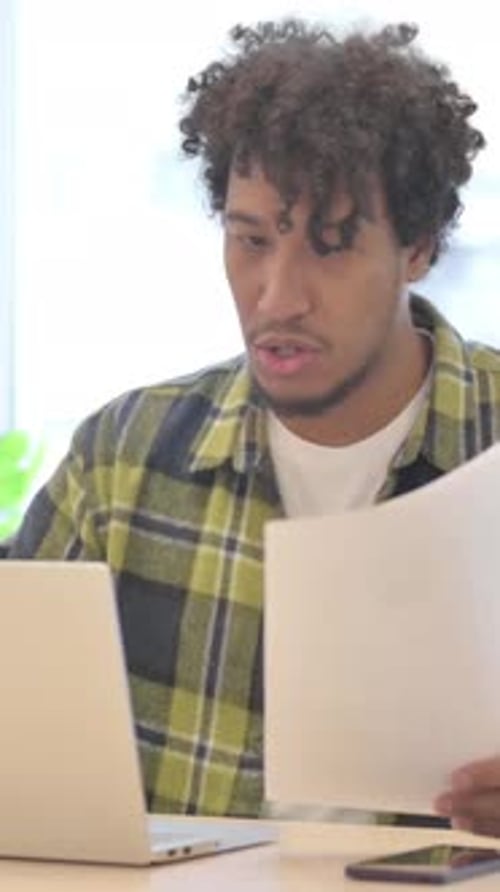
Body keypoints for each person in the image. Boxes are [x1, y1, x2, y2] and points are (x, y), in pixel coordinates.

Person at [4, 18, 500, 835]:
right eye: (251, 241)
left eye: (331, 247)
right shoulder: (121, 462)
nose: (277, 296)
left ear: (418, 249)